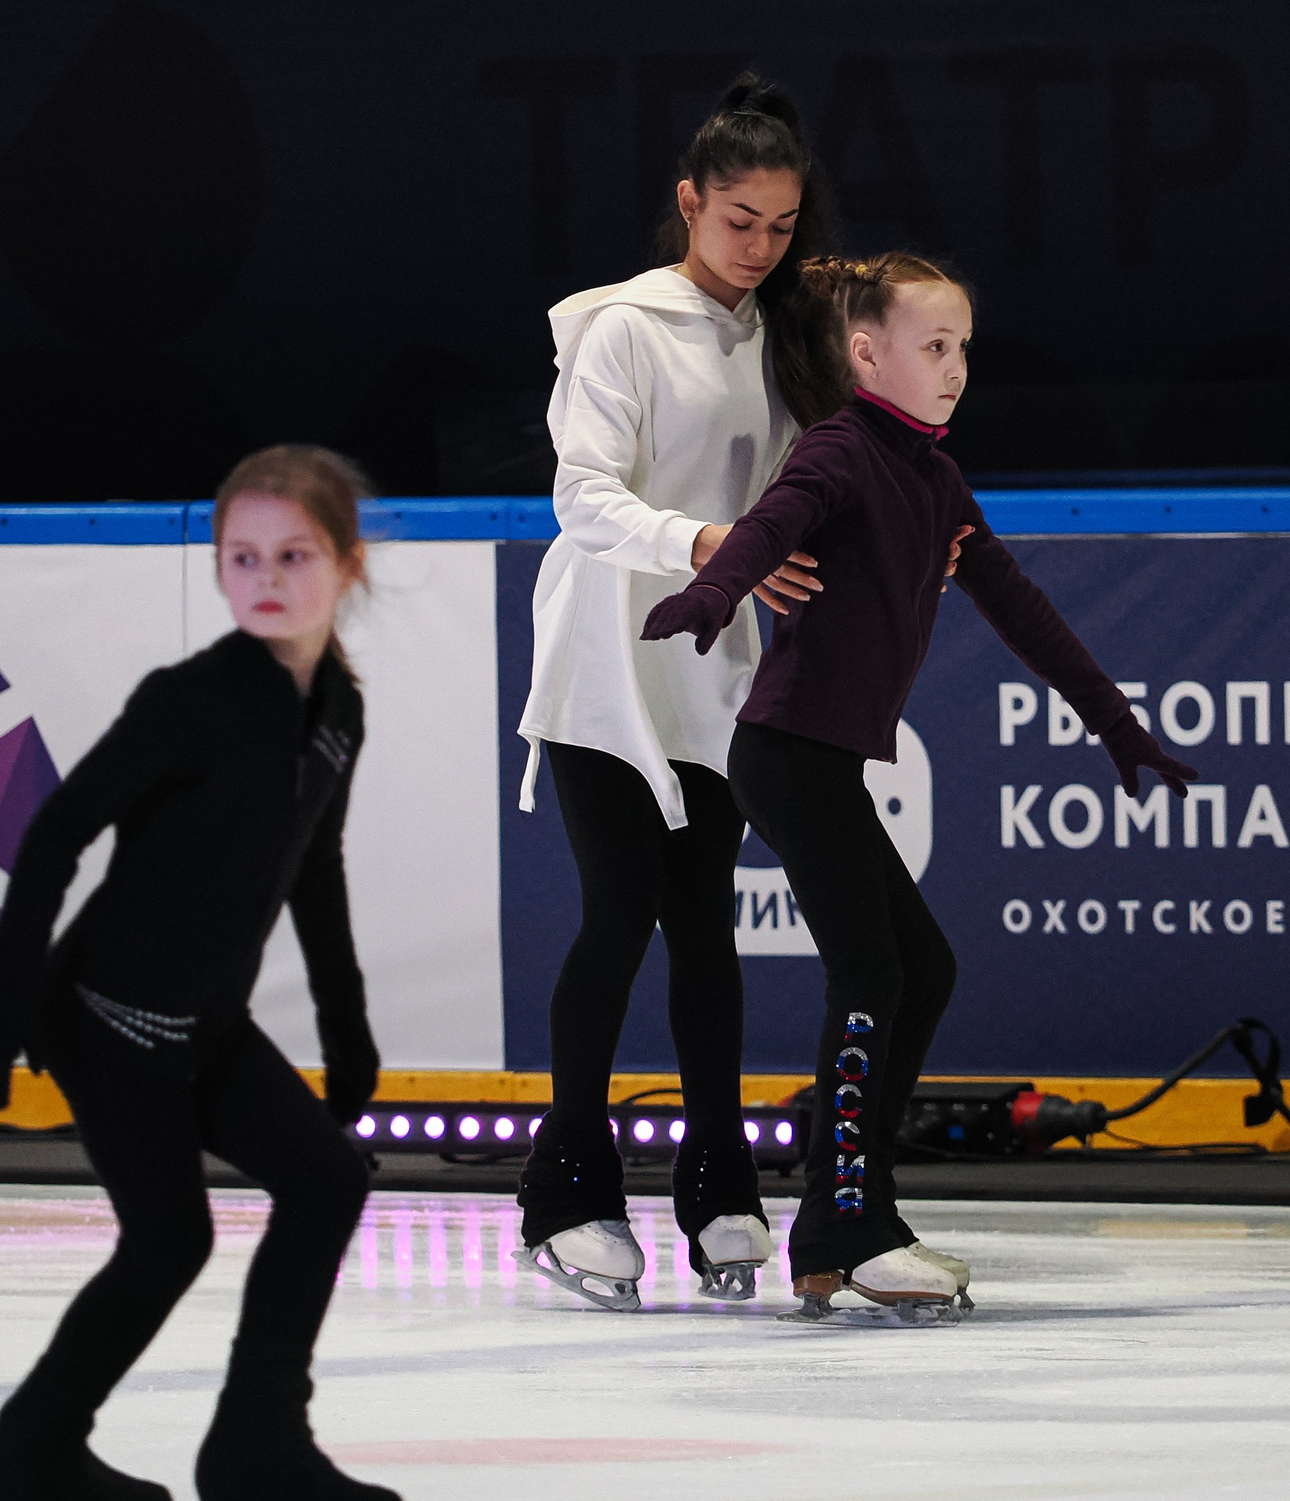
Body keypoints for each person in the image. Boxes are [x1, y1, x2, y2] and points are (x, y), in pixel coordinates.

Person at [642, 253, 1196, 1322]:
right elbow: (770, 524)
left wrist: (1114, 723)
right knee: (873, 974)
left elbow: (1016, 602)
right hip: (789, 756)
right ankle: (848, 1220)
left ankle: (843, 1221)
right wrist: (714, 593)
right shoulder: (842, 451)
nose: (955, 369)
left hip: (821, 763)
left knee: (921, 970)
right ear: (867, 354)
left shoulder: (932, 477)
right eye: (934, 348)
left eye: (964, 350)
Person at [0, 446, 393, 1501]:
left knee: (327, 1179)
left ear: (345, 565)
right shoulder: (188, 699)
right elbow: (58, 831)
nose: (265, 578)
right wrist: (6, 996)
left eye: (292, 555)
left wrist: (346, 1025)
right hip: (105, 1021)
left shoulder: (337, 710)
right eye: (240, 557)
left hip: (200, 1024)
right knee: (168, 1239)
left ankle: (256, 1446)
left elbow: (314, 865)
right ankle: (27, 1456)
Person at [510, 74, 846, 1311]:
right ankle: (572, 1187)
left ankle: (719, 1187)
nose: (760, 245)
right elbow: (580, 498)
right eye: (738, 220)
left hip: (711, 665)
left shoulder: (781, 332)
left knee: (706, 921)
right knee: (619, 909)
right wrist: (709, 544)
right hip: (607, 654)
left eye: (779, 225)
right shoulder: (623, 328)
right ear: (689, 204)